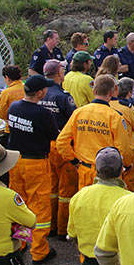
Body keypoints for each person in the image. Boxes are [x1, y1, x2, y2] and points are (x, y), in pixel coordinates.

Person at [7, 75, 59, 264]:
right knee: (40, 209)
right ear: (39, 93)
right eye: (44, 89)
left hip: (15, 162)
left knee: (19, 205)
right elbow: (55, 136)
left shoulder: (14, 107)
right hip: (36, 164)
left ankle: (20, 243)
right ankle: (39, 251)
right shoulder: (42, 114)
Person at [57, 75, 134, 190]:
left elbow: (61, 142)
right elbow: (123, 148)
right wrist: (128, 165)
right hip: (109, 174)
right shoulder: (114, 117)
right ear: (111, 93)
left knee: (86, 204)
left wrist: (74, 161)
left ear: (93, 91)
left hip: (85, 171)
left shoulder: (79, 113)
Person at [41, 59, 78, 240]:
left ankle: (51, 224)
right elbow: (74, 120)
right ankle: (63, 229)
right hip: (63, 146)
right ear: (58, 73)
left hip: (46, 146)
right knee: (66, 190)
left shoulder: (41, 93)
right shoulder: (63, 96)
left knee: (51, 187)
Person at [110, 77, 134, 192]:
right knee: (132, 181)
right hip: (129, 149)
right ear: (129, 92)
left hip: (111, 147)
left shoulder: (108, 104)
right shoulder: (127, 107)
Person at [0, 65, 24, 135]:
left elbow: (3, 115)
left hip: (12, 129)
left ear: (7, 77)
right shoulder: (27, 87)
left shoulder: (6, 93)